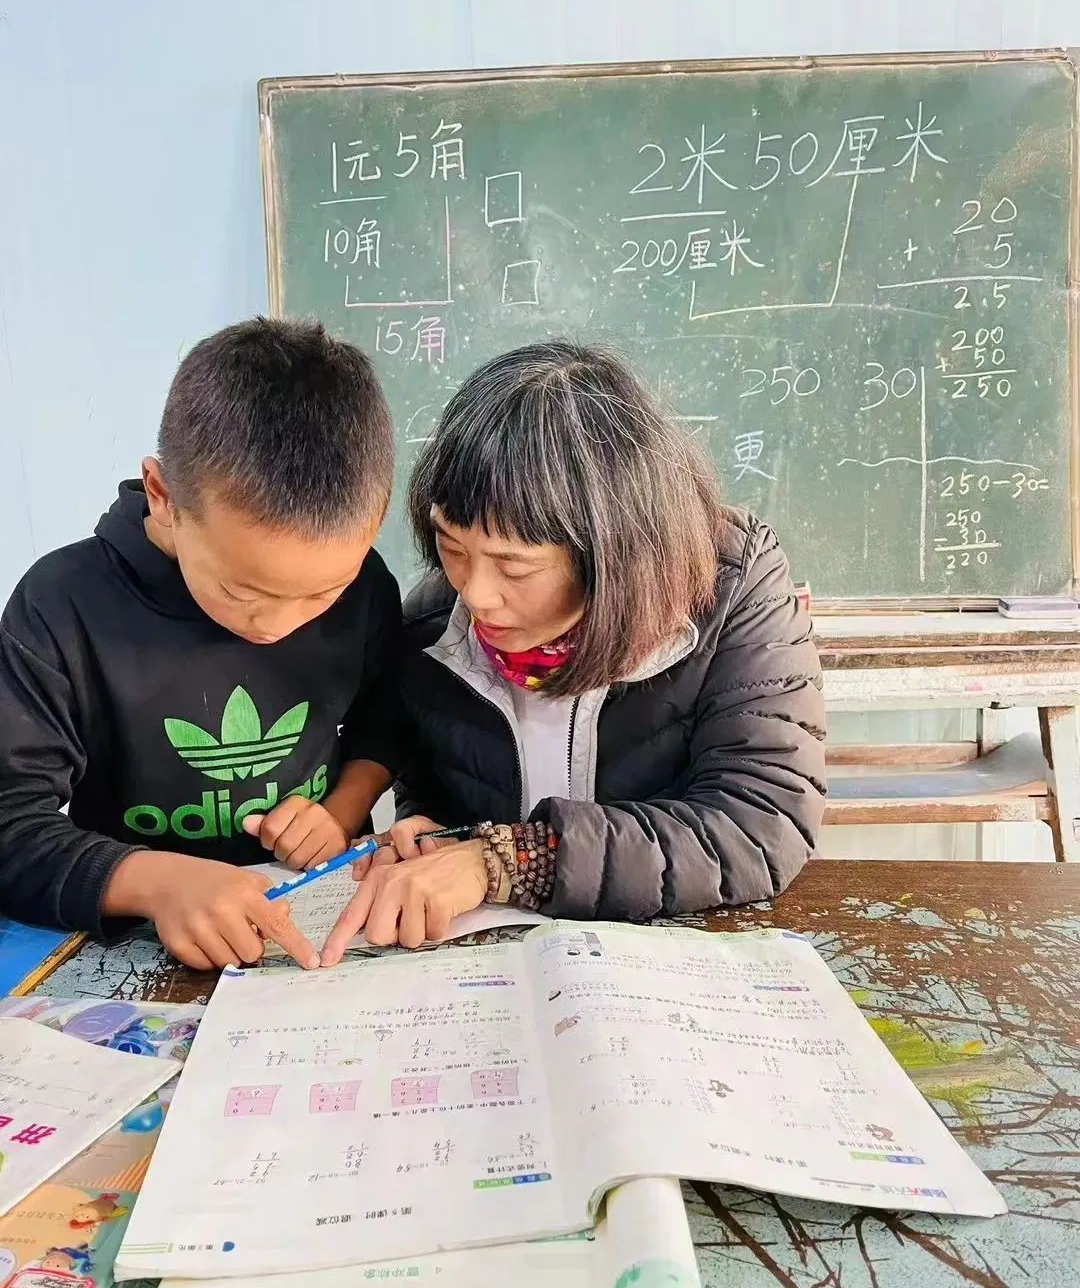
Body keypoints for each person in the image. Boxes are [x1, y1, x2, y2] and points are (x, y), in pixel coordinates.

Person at [322, 340, 825, 960]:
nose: (476, 594)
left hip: (688, 961)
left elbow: (758, 826)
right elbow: (435, 799)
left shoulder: (731, 586)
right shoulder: (433, 626)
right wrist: (432, 840)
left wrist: (511, 861)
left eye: (515, 566)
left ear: (613, 554)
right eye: (452, 548)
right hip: (507, 971)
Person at [0, 318, 401, 970]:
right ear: (162, 496)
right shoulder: (62, 606)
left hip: (315, 920)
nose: (281, 624)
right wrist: (156, 882)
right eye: (244, 592)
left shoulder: (365, 584)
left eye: (323, 593)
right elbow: (10, 822)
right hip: (135, 935)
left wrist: (342, 808)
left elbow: (391, 715)